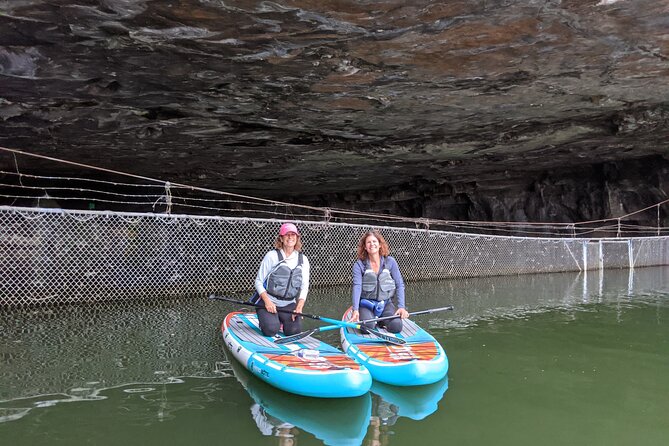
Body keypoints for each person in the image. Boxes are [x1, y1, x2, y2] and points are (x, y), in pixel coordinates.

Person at [253, 222, 310, 337]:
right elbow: (258, 282)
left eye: (293, 235)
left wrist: (299, 307)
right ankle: (268, 320)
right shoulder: (271, 256)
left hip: (288, 303)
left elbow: (304, 287)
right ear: (281, 238)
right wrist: (267, 302)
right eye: (287, 235)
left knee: (294, 331)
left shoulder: (303, 259)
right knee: (270, 330)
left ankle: (280, 320)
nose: (290, 237)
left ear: (297, 238)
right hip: (269, 301)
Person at [350, 230, 409, 333]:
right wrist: (355, 309)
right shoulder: (359, 265)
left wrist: (401, 307)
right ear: (364, 246)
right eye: (368, 242)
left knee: (396, 326)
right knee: (367, 328)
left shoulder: (390, 262)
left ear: (380, 245)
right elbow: (357, 286)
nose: (372, 244)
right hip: (366, 304)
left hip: (385, 304)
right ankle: (371, 320)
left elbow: (399, 284)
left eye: (374, 241)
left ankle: (381, 322)